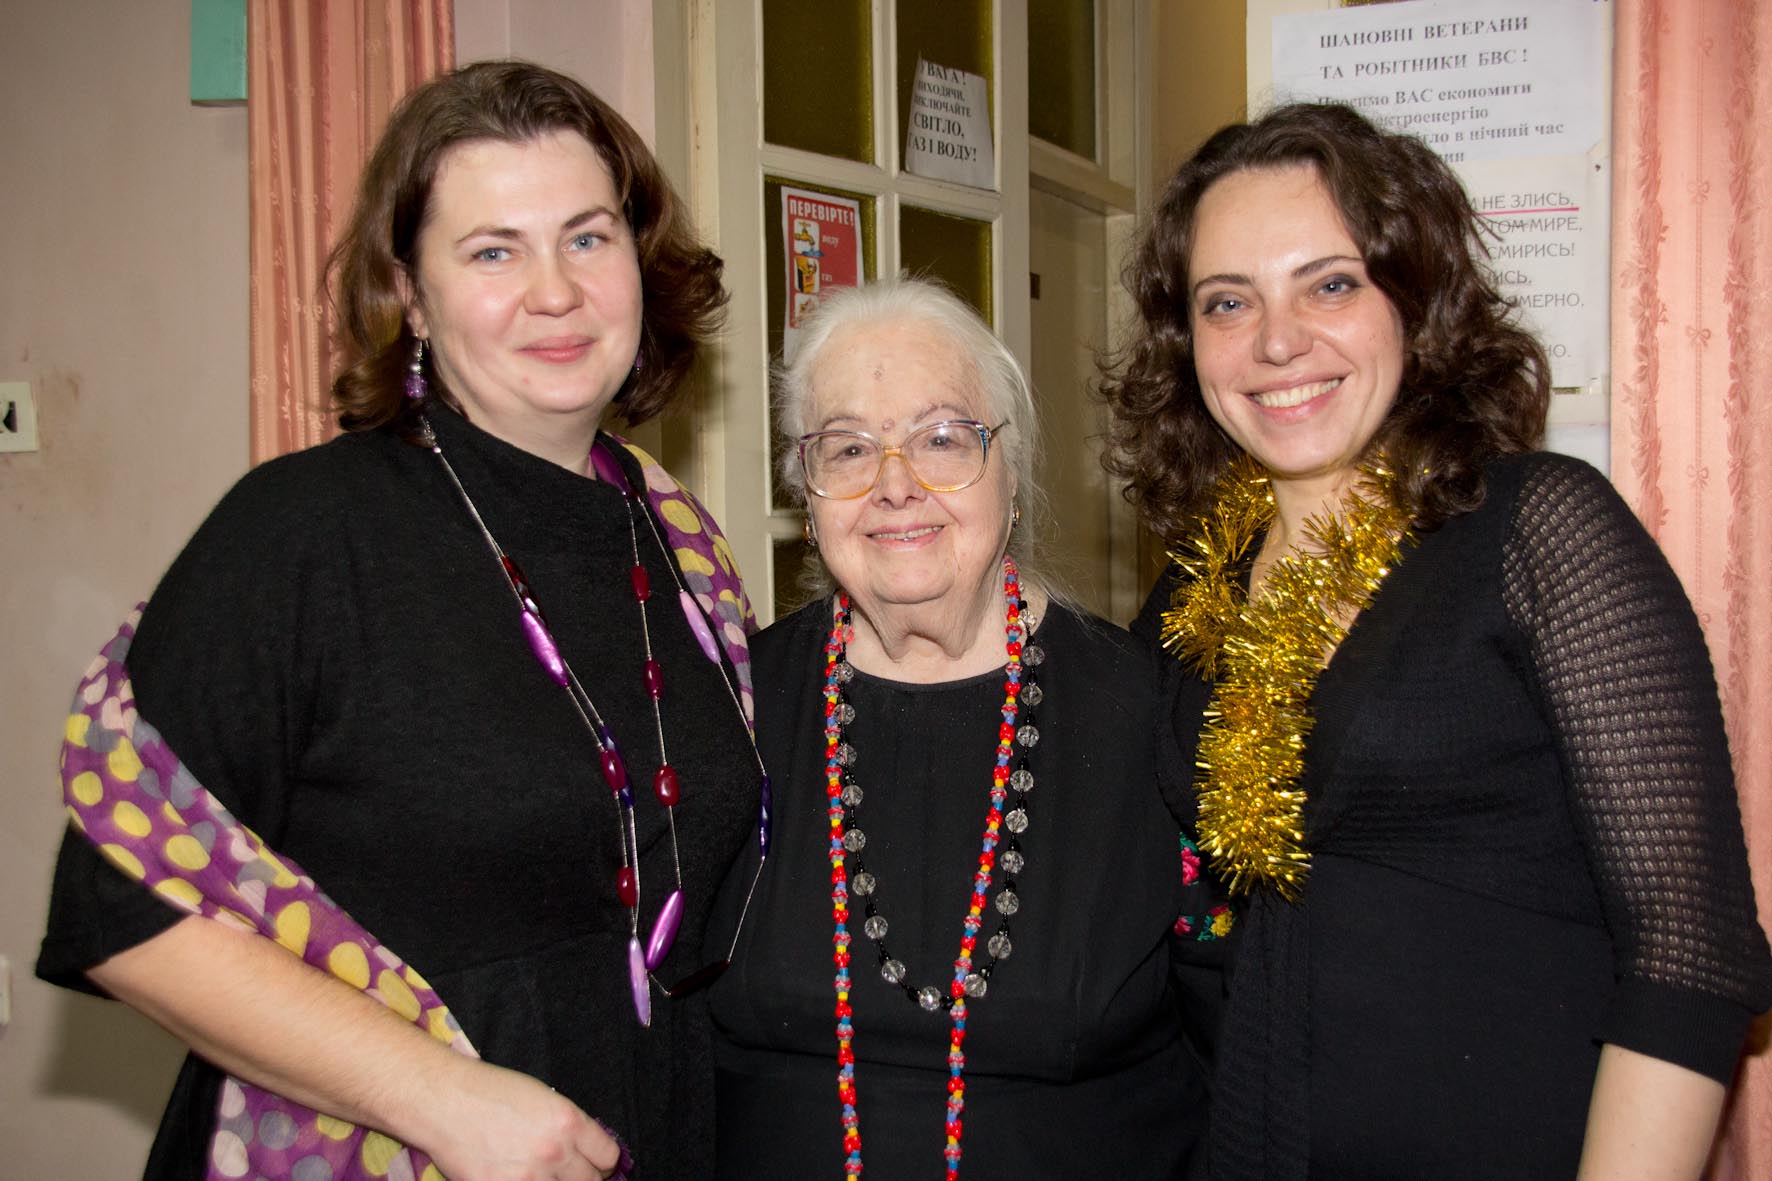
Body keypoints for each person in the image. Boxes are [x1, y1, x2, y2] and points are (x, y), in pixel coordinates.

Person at [39, 61, 765, 1181]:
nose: (556, 291)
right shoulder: (303, 532)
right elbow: (117, 907)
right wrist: (441, 1100)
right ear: (412, 298)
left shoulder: (677, 541)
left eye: (587, 237)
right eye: (493, 252)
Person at [1103, 101, 1772, 1179]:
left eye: (1330, 284)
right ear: (1187, 341)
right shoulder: (1194, 585)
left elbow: (1689, 946)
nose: (1277, 340)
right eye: (1228, 301)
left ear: (1415, 300)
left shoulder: (1539, 530)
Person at [709, 278, 1213, 1178]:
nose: (895, 485)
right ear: (806, 493)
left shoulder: (1146, 709)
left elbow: (1239, 1043)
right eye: (848, 448)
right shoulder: (732, 705)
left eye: (942, 437)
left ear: (1010, 473)